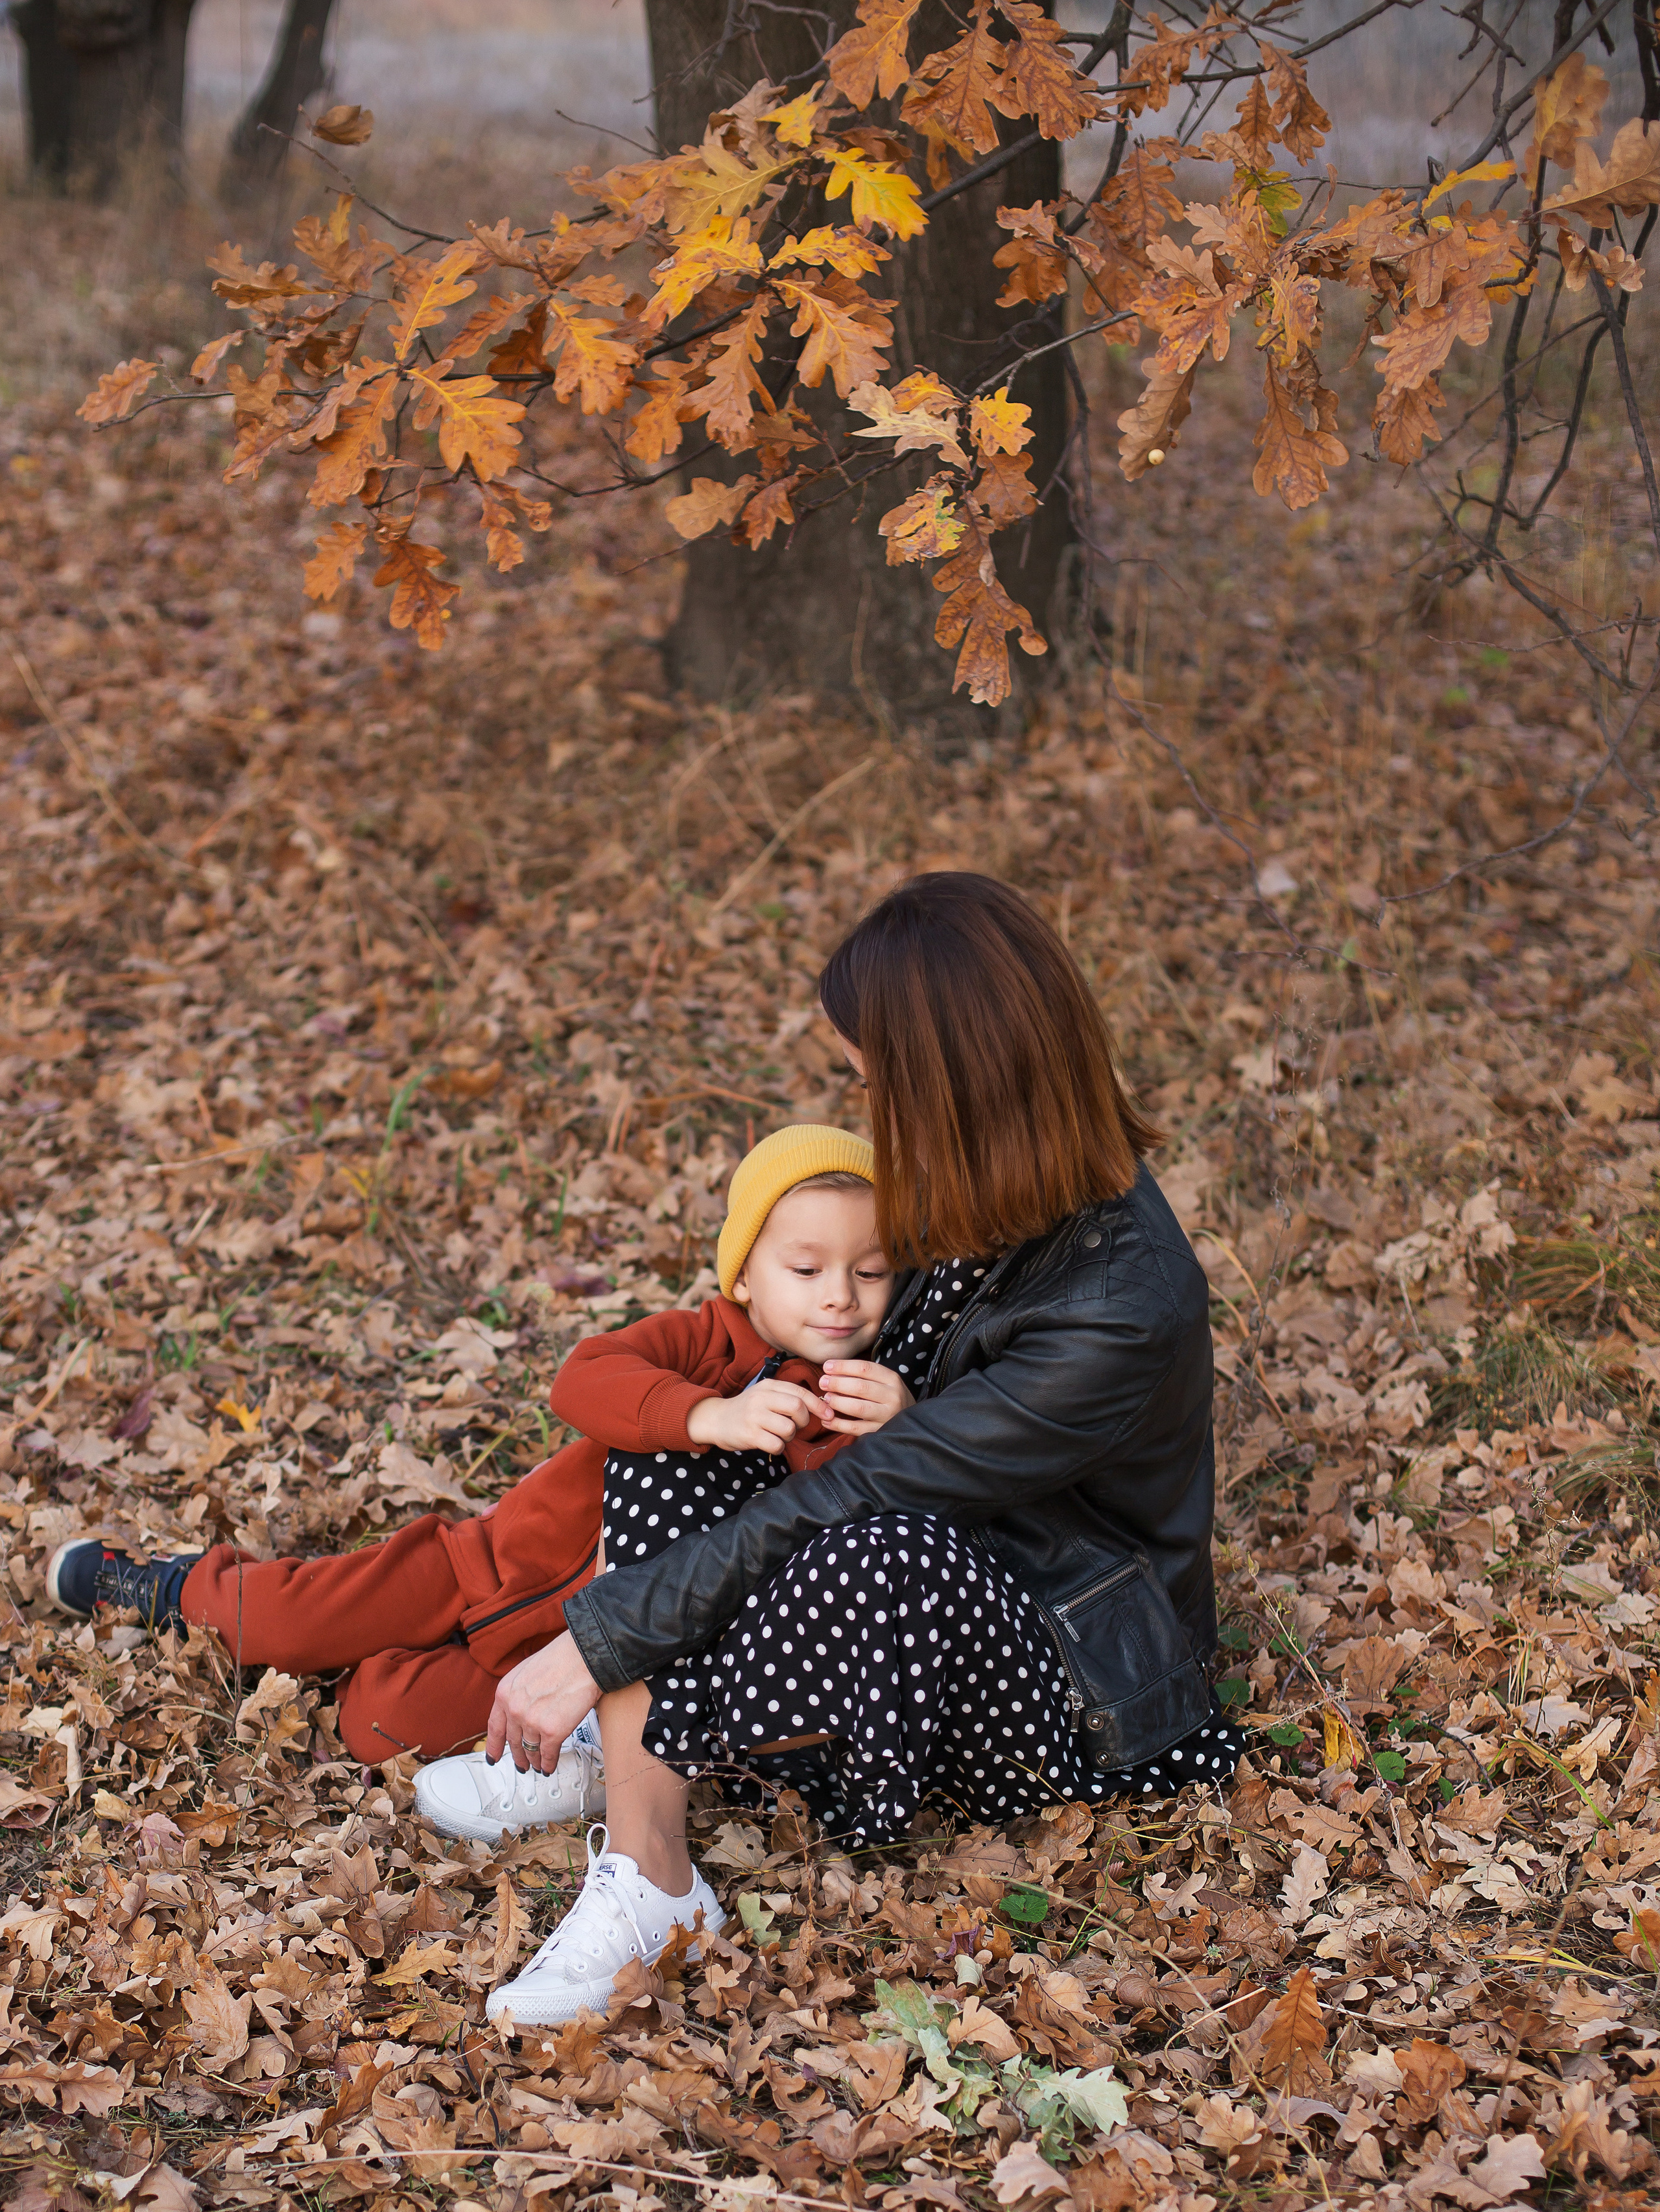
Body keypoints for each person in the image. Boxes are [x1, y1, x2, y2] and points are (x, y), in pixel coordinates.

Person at [480, 871, 1242, 2034]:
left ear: (956, 1084)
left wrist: (599, 1637)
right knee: (689, 1436)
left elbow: (877, 1488)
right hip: (939, 1538)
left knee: (871, 1553)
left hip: (1080, 1668)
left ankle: (634, 1734)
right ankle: (654, 1858)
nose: (868, 1102)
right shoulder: (981, 1183)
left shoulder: (1119, 1304)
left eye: (876, 1079)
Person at [45, 1126, 897, 1815]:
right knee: (290, 1618)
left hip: (568, 1651)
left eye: (869, 1273)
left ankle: (354, 1665)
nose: (839, 1298)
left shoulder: (863, 1397)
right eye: (807, 1269)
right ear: (744, 1276)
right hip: (481, 1564)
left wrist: (898, 1421)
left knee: (381, 1725)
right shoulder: (699, 1339)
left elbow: (855, 1525)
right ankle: (163, 1589)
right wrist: (707, 1415)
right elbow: (584, 1380)